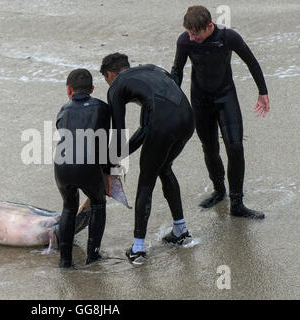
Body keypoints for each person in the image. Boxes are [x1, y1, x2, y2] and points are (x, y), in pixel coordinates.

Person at [171, 5, 270, 219]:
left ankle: (237, 203)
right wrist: (172, 98)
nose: (191, 37)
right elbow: (177, 70)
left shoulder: (228, 37)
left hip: (225, 97)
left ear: (209, 27)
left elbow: (251, 62)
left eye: (195, 34)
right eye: (189, 32)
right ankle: (218, 190)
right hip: (200, 100)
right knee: (210, 147)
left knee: (235, 148)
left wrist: (262, 91)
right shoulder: (185, 41)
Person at [100, 53, 195, 264]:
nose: (107, 84)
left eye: (106, 79)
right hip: (188, 119)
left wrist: (107, 165)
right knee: (164, 167)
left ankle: (138, 249)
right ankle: (180, 231)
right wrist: (116, 158)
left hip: (163, 124)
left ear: (110, 74)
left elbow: (119, 131)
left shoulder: (116, 86)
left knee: (146, 181)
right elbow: (144, 130)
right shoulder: (152, 69)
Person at [54, 69, 111, 268]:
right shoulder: (103, 108)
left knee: (69, 207)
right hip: (87, 165)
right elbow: (103, 144)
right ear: (92, 89)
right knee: (98, 204)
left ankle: (65, 261)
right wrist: (107, 173)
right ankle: (92, 256)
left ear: (69, 90)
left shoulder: (63, 109)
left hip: (61, 165)